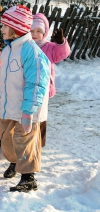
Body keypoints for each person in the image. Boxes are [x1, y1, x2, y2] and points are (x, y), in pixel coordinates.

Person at [0, 5, 50, 192]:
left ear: (15, 28)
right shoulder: (8, 50)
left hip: (28, 107)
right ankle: (15, 162)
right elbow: (4, 77)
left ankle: (28, 177)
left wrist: (28, 111)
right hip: (9, 105)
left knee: (24, 140)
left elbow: (35, 84)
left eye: (4, 26)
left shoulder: (32, 52)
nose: (1, 29)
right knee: (6, 139)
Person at [31, 13, 71, 147]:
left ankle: (39, 142)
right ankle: (27, 139)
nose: (35, 34)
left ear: (45, 32)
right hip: (28, 86)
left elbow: (62, 54)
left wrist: (60, 43)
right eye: (32, 31)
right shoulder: (26, 45)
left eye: (39, 31)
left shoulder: (49, 47)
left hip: (43, 87)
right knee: (28, 113)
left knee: (41, 114)